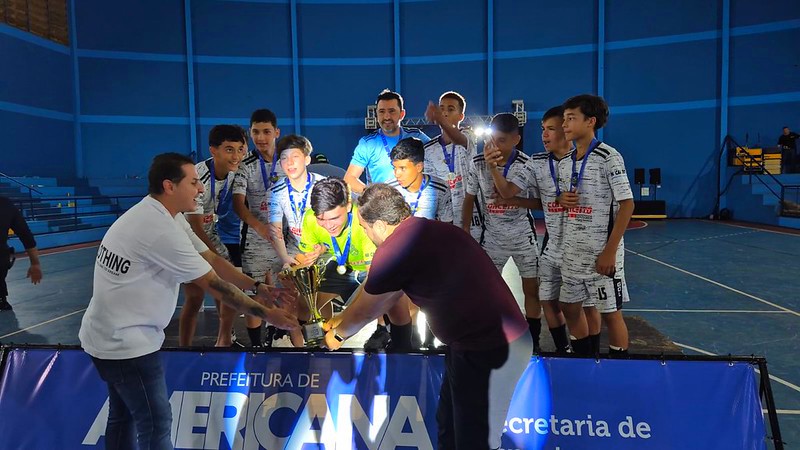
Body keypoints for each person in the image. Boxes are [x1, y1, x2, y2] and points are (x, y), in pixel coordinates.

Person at [78, 153, 297, 450]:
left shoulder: (163, 215)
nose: (200, 189)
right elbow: (214, 285)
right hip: (126, 345)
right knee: (155, 423)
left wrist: (257, 286)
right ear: (169, 186)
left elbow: (211, 259)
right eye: (193, 182)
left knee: (123, 415)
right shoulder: (160, 230)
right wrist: (269, 314)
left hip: (105, 335)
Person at [322, 183, 532, 450]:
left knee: (475, 442)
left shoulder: (395, 249)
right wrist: (339, 319)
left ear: (379, 225)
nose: (366, 234)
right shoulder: (430, 230)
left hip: (491, 348)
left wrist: (338, 334)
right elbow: (376, 293)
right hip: (476, 345)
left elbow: (368, 309)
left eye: (364, 228)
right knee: (450, 429)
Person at [489, 106, 573, 354]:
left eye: (551, 129)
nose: (545, 135)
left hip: (565, 241)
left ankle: (582, 354)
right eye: (543, 130)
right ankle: (542, 343)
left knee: (578, 304)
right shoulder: (537, 163)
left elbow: (620, 204)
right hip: (542, 242)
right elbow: (509, 193)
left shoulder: (584, 161)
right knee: (547, 299)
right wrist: (513, 199)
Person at [296, 177, 413, 351]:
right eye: (321, 219)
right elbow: (303, 261)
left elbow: (375, 284)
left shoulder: (365, 221)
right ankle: (315, 347)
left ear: (349, 205)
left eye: (334, 218)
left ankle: (402, 345)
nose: (328, 225)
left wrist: (342, 325)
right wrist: (296, 269)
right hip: (342, 267)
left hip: (370, 270)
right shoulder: (310, 219)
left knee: (394, 297)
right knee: (305, 301)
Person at [557, 94, 634, 356]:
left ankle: (617, 368)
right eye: (564, 118)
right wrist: (561, 199)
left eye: (571, 118)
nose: (565, 124)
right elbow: (568, 198)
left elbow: (627, 205)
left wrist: (610, 251)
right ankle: (584, 358)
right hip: (572, 253)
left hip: (601, 253)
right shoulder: (566, 162)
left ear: (590, 122)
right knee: (569, 306)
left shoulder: (608, 157)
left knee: (611, 313)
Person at [464, 113, 545, 352]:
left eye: (500, 141)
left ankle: (533, 339)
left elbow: (508, 193)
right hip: (492, 238)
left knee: (531, 289)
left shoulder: (526, 163)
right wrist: (465, 230)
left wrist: (493, 169)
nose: (493, 146)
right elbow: (469, 198)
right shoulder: (477, 162)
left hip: (523, 238)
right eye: (491, 139)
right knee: (486, 290)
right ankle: (491, 335)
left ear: (515, 140)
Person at [180, 125, 247, 347]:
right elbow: (195, 227)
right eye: (229, 149)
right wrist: (215, 257)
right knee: (195, 298)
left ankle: (225, 340)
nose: (236, 156)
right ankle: (184, 349)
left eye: (239, 149)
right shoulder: (198, 176)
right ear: (213, 151)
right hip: (187, 237)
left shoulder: (235, 171)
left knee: (226, 287)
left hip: (210, 232)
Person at [233, 109, 286, 346]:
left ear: (276, 132)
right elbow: (238, 205)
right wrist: (260, 227)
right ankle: (256, 346)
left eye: (266, 131)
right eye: (256, 132)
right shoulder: (245, 165)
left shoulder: (288, 160)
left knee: (285, 293)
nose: (261, 137)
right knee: (255, 294)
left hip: (285, 240)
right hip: (254, 240)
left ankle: (281, 336)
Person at [423, 91, 483, 239]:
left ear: (461, 116)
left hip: (472, 219)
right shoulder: (429, 149)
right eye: (441, 108)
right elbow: (432, 188)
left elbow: (458, 138)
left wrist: (439, 119)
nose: (444, 113)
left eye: (450, 109)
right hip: (444, 220)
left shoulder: (469, 137)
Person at [344, 89, 430, 194]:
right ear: (376, 115)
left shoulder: (417, 137)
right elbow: (349, 179)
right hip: (382, 207)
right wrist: (374, 195)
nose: (387, 117)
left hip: (416, 205)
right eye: (382, 111)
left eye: (391, 111)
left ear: (402, 114)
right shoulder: (368, 143)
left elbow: (438, 159)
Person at [388, 137, 452, 222]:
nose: (396, 174)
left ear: (419, 167)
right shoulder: (389, 190)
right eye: (394, 168)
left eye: (402, 168)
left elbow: (447, 226)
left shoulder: (441, 189)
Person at [0, 196, 42, 311]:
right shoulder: (6, 204)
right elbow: (25, 235)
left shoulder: (6, 204)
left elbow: (25, 235)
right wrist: (35, 263)